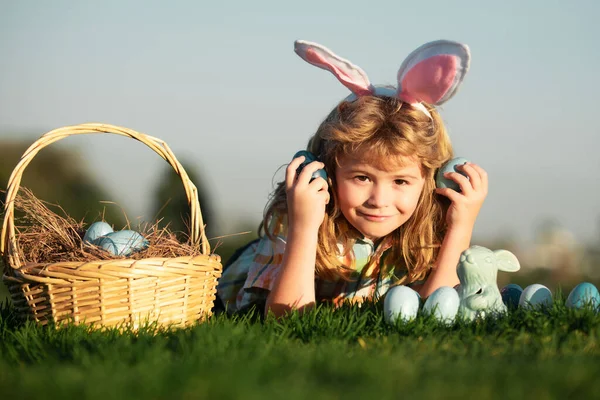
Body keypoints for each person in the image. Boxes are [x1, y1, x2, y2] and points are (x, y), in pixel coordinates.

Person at [216, 39, 488, 318]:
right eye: (362, 178)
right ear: (325, 171)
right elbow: (287, 318)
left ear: (433, 181)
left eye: (401, 182)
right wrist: (305, 227)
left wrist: (460, 227)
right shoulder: (297, 214)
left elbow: (438, 312)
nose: (379, 201)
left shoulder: (428, 222)